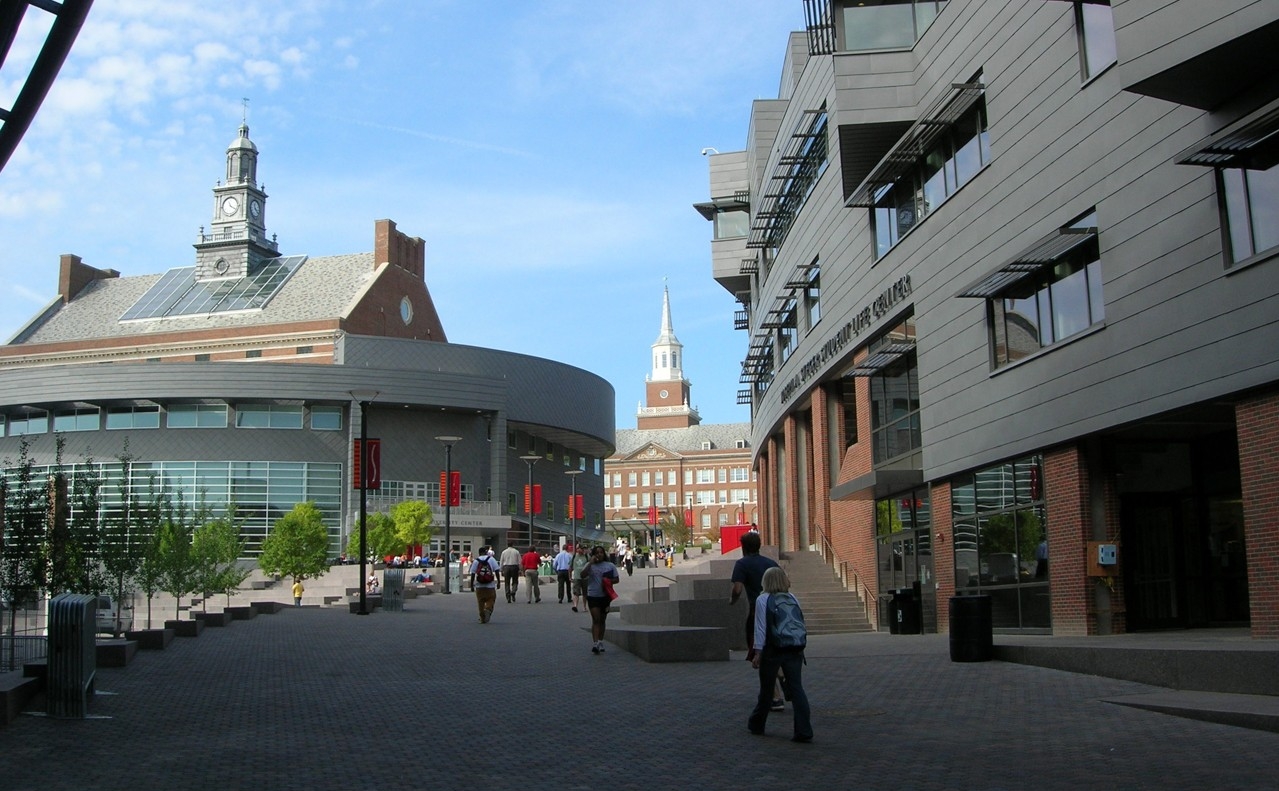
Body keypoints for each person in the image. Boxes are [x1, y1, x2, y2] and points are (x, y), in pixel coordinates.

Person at [748, 567, 812, 742]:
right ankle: (804, 730)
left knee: (767, 690)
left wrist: (757, 652)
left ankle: (757, 723)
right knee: (797, 688)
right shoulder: (792, 598)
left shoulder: (763, 599)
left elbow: (761, 629)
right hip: (794, 648)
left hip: (773, 649)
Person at [730, 530, 784, 710]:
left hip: (757, 611)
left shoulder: (742, 564)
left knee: (760, 650)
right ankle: (783, 676)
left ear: (743, 547)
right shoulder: (771, 563)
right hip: (777, 611)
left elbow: (737, 589)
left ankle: (775, 696)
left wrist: (732, 601)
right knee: (774, 648)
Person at [579, 545, 620, 654]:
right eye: (596, 552)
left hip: (605, 596)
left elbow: (616, 579)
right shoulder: (590, 566)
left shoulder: (610, 565)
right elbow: (582, 575)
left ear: (604, 554)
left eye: (601, 552)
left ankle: (601, 641)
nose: (599, 554)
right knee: (596, 619)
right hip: (593, 595)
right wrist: (590, 563)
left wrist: (609, 581)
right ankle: (595, 643)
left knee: (602, 620)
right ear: (593, 554)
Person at [470, 547, 500, 624]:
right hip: (490, 585)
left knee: (480, 602)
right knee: (491, 599)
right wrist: (498, 582)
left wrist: (471, 585)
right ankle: (488, 609)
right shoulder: (491, 559)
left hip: (479, 586)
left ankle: (482, 618)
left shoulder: (476, 561)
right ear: (486, 552)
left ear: (479, 553)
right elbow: (496, 570)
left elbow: (473, 573)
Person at [570, 545, 590, 612]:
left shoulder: (587, 557)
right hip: (576, 577)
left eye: (580, 548)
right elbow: (570, 567)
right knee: (576, 592)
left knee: (585, 593)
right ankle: (575, 606)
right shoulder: (574, 557)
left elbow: (591, 565)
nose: (579, 550)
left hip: (585, 578)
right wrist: (570, 577)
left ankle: (584, 607)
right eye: (577, 548)